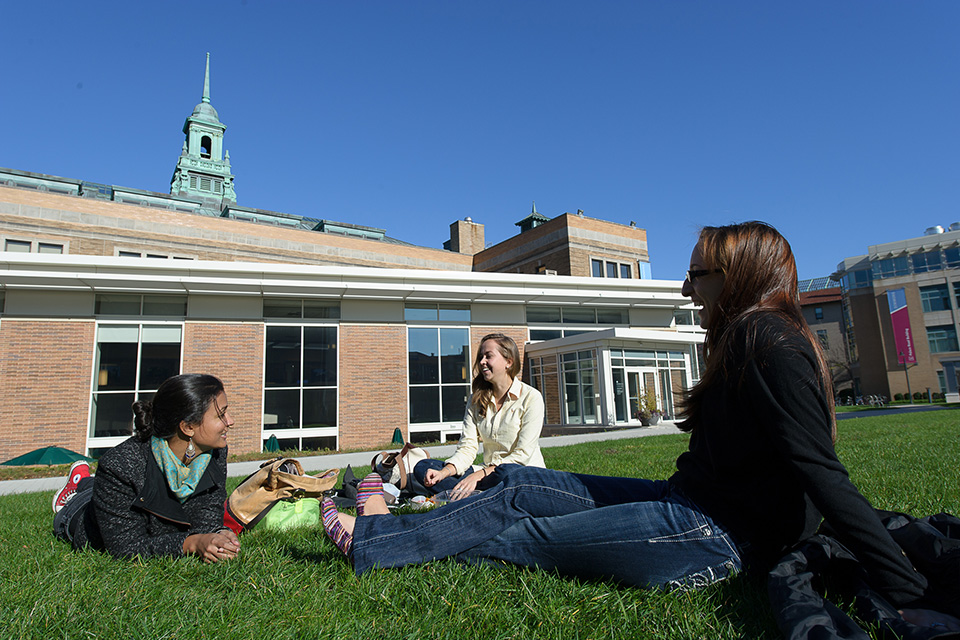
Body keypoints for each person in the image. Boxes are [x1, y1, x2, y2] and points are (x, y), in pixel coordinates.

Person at [320, 221, 954, 627]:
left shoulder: (768, 341)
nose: (684, 288)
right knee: (512, 487)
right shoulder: (746, 338)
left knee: (528, 536)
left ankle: (378, 543)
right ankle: (394, 527)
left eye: (696, 274)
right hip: (685, 502)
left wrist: (901, 581)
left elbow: (819, 470)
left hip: (714, 536)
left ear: (733, 278)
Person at [52, 373, 240, 563]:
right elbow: (125, 547)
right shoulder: (120, 465)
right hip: (79, 515)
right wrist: (191, 543)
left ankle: (85, 480)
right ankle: (75, 488)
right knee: (84, 499)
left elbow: (207, 519)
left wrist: (219, 533)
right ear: (188, 427)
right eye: (221, 415)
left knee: (94, 486)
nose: (230, 421)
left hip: (110, 492)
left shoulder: (214, 452)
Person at [412, 333, 545, 498]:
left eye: (488, 356)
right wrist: (445, 472)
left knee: (506, 474)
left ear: (508, 362)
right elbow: (467, 447)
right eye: (481, 356)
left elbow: (522, 456)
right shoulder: (476, 399)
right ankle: (479, 496)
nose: (482, 361)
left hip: (520, 474)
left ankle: (471, 496)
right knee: (424, 466)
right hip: (487, 474)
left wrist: (480, 474)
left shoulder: (531, 398)